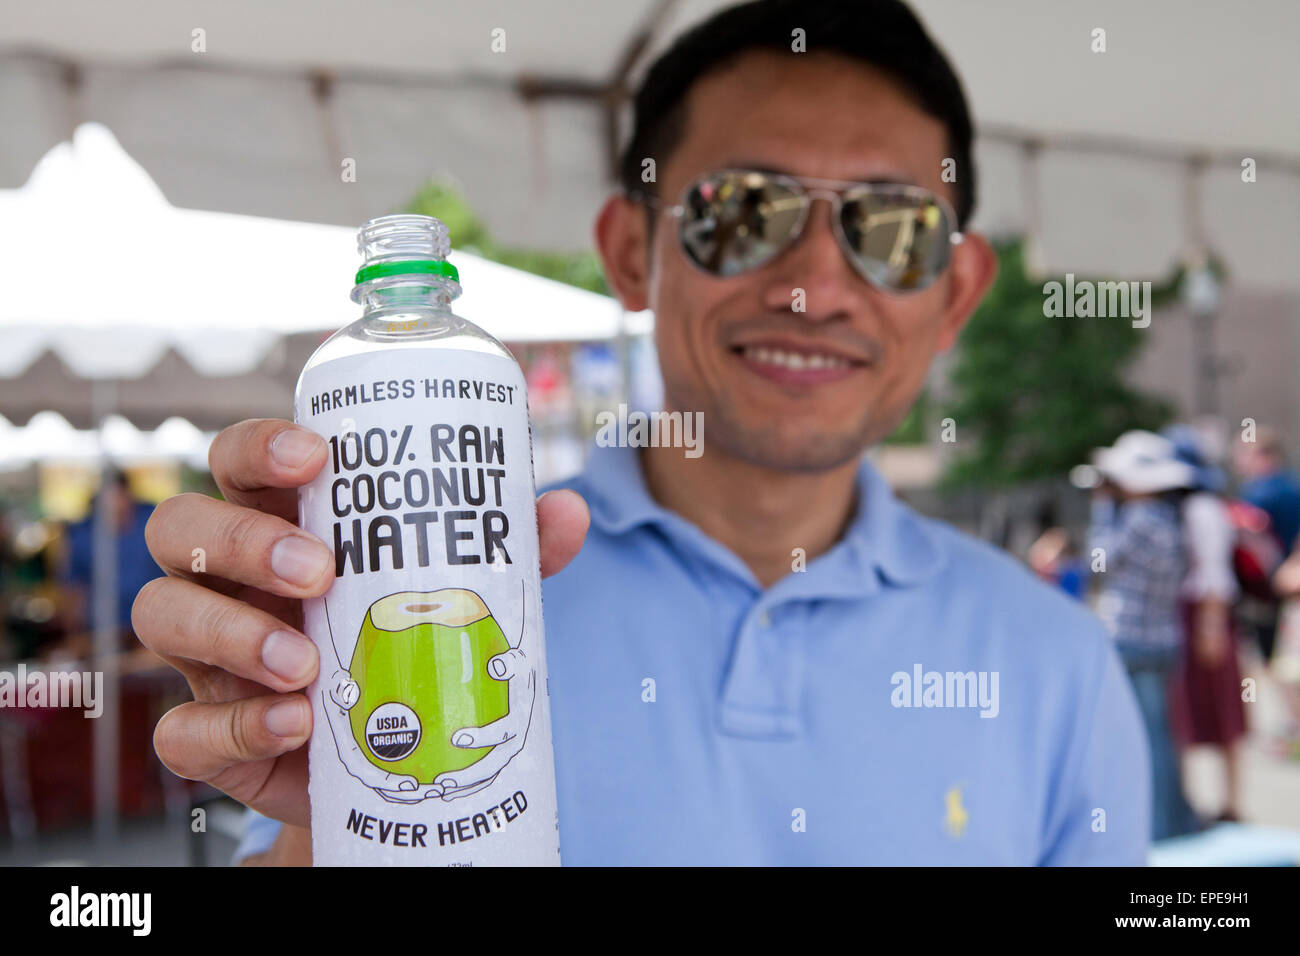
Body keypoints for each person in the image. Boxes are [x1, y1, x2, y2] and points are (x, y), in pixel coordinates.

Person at [132, 0, 1150, 865]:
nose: (813, 285)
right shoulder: (433, 590)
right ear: (629, 248)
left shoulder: (1058, 663)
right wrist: (328, 818)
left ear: (957, 289)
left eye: (891, 229)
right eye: (744, 211)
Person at [1087, 431, 1199, 840]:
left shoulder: (1135, 522)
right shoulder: (1170, 521)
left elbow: (1098, 562)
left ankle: (1154, 825)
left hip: (1129, 640)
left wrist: (1101, 513)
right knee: (1160, 736)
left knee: (1138, 739)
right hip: (1164, 639)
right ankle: (1171, 821)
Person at [1162, 425, 1247, 823]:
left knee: (1220, 709)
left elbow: (1213, 573)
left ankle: (1230, 802)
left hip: (1202, 614)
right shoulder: (1184, 509)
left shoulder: (1201, 510)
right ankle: (1197, 802)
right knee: (1191, 711)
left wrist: (1210, 627)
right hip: (1190, 614)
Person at [59, 468, 161, 656]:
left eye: (118, 497)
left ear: (127, 495)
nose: (114, 506)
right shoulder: (83, 533)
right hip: (102, 631)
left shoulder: (154, 521)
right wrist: (73, 635)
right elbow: (73, 589)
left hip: (154, 626)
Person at [1234, 426, 1300, 664]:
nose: (1239, 462)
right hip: (1289, 586)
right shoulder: (1292, 486)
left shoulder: (1261, 492)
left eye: (1244, 454)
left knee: (1269, 660)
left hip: (1268, 587)